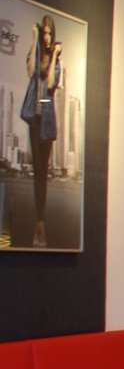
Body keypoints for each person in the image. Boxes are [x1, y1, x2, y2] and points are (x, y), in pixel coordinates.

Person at [22, 15, 61, 248]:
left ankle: (40, 223)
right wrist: (34, 41)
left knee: (43, 172)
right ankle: (39, 222)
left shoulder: (56, 59)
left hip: (47, 121)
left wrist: (54, 55)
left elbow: (51, 84)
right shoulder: (35, 51)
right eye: (44, 32)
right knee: (37, 167)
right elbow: (30, 73)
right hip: (34, 120)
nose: (46, 37)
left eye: (49, 33)